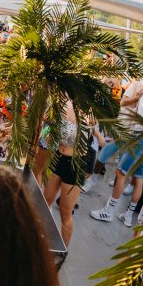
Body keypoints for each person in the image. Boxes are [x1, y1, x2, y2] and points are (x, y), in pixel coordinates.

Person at [91, 60, 143, 226]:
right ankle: (128, 215)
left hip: (142, 138)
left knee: (120, 173)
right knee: (138, 177)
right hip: (137, 134)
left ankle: (108, 211)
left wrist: (139, 120)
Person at [42, 103, 82, 246]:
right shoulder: (62, 103)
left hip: (76, 164)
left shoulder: (89, 109)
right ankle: (37, 241)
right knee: (44, 202)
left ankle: (62, 252)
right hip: (57, 158)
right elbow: (46, 119)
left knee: (65, 213)